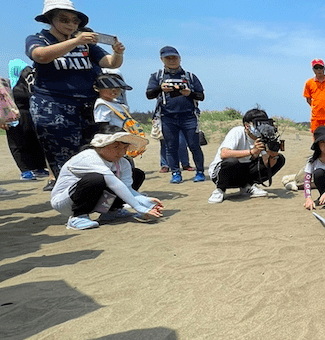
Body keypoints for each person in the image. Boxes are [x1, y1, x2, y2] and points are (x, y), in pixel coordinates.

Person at [26, 0, 126, 189]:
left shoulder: (86, 44)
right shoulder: (39, 39)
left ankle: (100, 199)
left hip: (87, 105)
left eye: (74, 20)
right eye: (64, 19)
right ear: (50, 19)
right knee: (64, 159)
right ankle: (74, 205)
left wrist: (118, 52)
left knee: (95, 153)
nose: (71, 24)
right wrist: (75, 41)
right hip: (53, 106)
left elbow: (110, 63)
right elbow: (40, 56)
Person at [50, 126, 163, 230]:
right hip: (67, 202)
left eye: (125, 147)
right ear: (100, 146)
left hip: (96, 199)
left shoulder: (123, 163)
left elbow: (126, 188)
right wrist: (140, 208)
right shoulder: (89, 157)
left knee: (136, 174)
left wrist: (146, 201)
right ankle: (78, 216)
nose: (121, 152)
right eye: (116, 147)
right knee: (96, 178)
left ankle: (112, 211)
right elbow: (114, 184)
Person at [145, 46, 206, 184]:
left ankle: (200, 172)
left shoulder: (190, 76)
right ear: (162, 59)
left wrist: (189, 93)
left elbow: (201, 96)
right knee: (171, 147)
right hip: (167, 117)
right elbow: (149, 95)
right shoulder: (157, 77)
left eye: (174, 57)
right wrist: (160, 88)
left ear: (180, 58)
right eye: (168, 58)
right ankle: (175, 173)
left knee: (194, 146)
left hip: (189, 117)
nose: (172, 60)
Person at [207, 108, 285, 204]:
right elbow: (224, 153)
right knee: (231, 161)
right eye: (258, 124)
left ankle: (247, 186)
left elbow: (266, 164)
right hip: (222, 173)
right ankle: (220, 190)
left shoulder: (263, 137)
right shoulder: (237, 132)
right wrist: (252, 151)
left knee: (280, 159)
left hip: (244, 171)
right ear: (247, 125)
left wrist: (273, 154)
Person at [5, 59, 49, 180]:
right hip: (14, 117)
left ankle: (39, 167)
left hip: (29, 115)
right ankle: (25, 170)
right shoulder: (8, 85)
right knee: (18, 143)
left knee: (34, 141)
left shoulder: (28, 82)